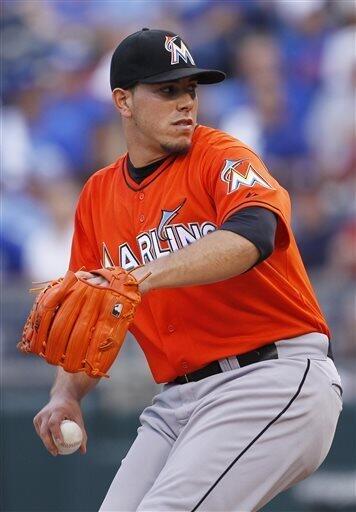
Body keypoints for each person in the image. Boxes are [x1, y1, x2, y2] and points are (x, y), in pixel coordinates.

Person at [33, 29, 342, 512]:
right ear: (123, 101)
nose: (185, 104)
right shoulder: (96, 195)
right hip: (177, 402)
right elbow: (92, 316)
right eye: (167, 90)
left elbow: (254, 234)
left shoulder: (220, 155)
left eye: (191, 90)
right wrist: (64, 394)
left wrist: (143, 275)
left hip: (269, 379)